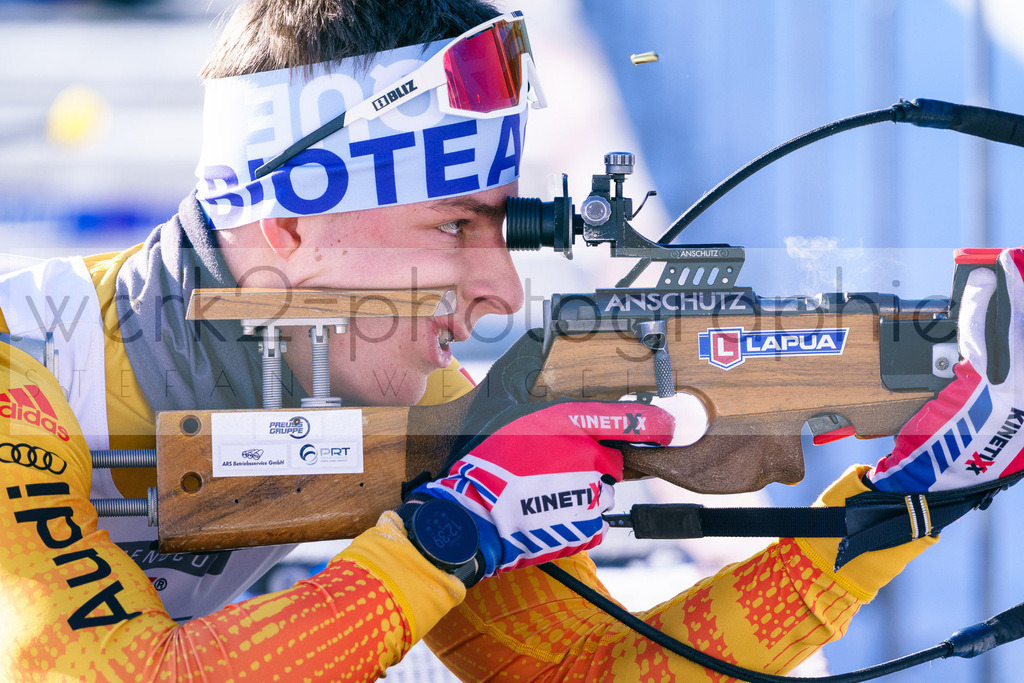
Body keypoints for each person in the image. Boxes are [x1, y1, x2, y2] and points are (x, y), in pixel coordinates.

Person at [1, 1, 1022, 680]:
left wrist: (901, 505)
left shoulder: (406, 390)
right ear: (292, 228)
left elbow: (571, 670)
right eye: (452, 227)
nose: (495, 296)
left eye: (501, 228)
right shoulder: (18, 367)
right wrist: (452, 533)